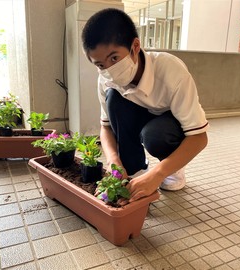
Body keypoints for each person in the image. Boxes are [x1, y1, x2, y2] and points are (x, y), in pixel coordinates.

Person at [81, 8, 209, 203]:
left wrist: (158, 173)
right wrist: (114, 161)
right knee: (114, 99)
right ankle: (135, 171)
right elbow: (106, 127)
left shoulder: (171, 70)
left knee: (156, 135)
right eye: (100, 65)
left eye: (114, 58)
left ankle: (173, 168)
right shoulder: (105, 80)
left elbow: (199, 137)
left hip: (168, 125)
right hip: (138, 116)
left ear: (135, 46)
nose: (110, 70)